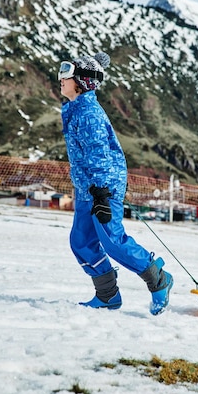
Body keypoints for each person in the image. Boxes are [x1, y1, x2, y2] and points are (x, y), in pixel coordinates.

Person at [58, 51, 173, 315]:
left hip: (103, 186)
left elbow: (99, 154)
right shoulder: (76, 108)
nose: (60, 78)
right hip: (88, 187)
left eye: (66, 73)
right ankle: (108, 295)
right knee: (81, 241)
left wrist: (101, 192)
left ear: (81, 81)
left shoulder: (88, 113)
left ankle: (159, 279)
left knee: (112, 240)